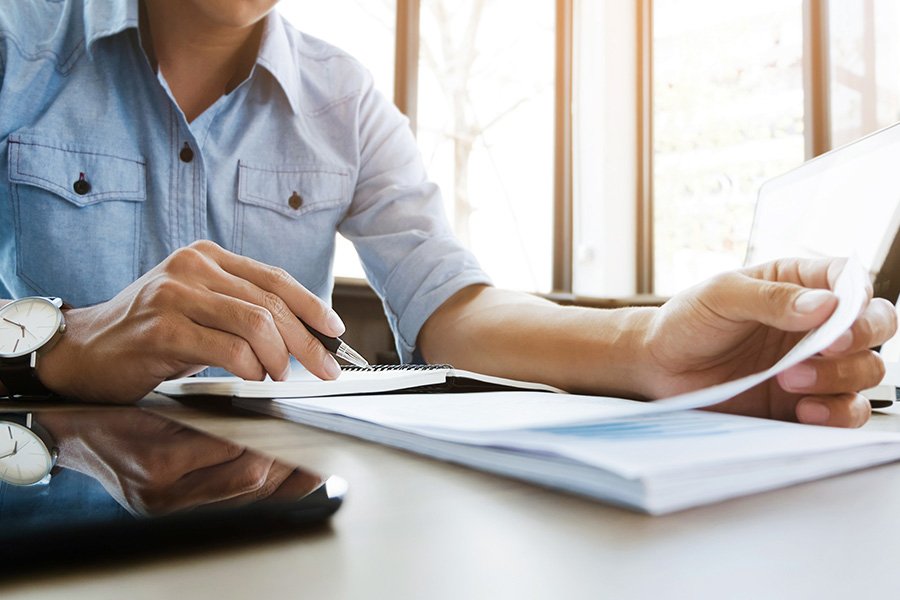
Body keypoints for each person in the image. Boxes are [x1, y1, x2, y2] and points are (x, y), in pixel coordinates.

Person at [0, 0, 895, 429]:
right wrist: (58, 343)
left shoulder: (341, 98)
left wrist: (648, 348)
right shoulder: (20, 40)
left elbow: (448, 304)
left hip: (269, 497)